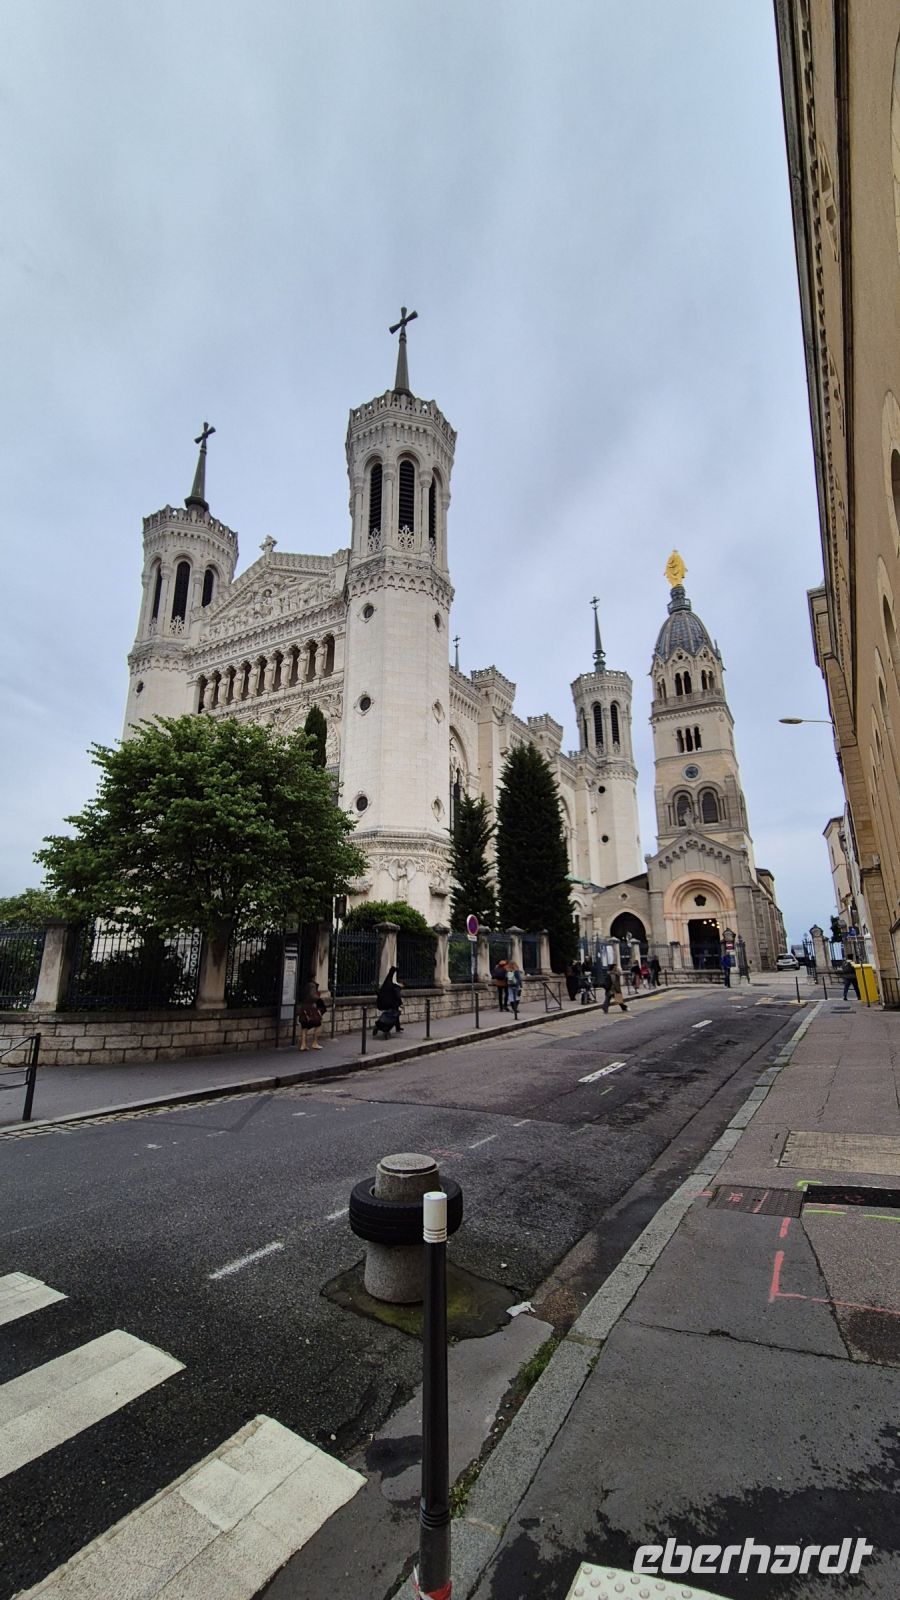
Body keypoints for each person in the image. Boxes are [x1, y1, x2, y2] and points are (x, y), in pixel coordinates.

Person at [373, 965, 404, 1036]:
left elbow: (389, 977)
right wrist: (401, 1003)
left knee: (390, 1015)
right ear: (402, 984)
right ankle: (387, 1028)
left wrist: (393, 970)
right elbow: (397, 996)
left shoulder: (388, 984)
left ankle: (396, 1027)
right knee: (393, 1016)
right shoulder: (397, 988)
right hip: (392, 1004)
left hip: (383, 1002)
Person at [297, 981, 327, 1050]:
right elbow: (322, 1006)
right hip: (312, 1014)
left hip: (303, 1013)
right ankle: (315, 1043)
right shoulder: (315, 996)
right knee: (318, 1025)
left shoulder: (303, 994)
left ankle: (303, 1045)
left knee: (304, 1028)